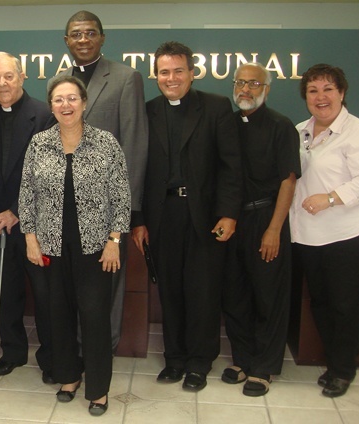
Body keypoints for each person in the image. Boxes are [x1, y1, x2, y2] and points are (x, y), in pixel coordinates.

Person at [131, 41, 242, 392]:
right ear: (156, 75)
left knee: (203, 293)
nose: (171, 78)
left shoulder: (217, 107)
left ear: (192, 73)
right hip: (163, 216)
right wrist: (139, 219)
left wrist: (228, 212)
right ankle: (175, 359)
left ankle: (198, 363)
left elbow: (230, 167)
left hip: (204, 216)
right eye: (164, 72)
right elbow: (139, 169)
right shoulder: (148, 111)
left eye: (179, 70)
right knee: (171, 292)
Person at [19, 76, 131, 416]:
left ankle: (98, 389)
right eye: (58, 100)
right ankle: (69, 377)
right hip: (51, 245)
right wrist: (30, 237)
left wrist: (114, 240)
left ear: (84, 103)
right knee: (58, 314)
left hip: (96, 248)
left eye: (71, 99)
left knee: (95, 317)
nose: (65, 105)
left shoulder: (106, 143)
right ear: (51, 105)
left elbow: (122, 196)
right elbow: (26, 194)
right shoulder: (39, 143)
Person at [50, 10, 148, 351]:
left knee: (106, 285)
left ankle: (101, 350)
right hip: (63, 209)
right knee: (71, 284)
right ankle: (75, 350)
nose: (83, 39)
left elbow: (134, 143)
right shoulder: (60, 80)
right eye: (76, 34)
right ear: (66, 41)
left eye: (90, 33)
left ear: (102, 38)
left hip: (108, 208)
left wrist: (130, 211)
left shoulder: (125, 77)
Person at [290, 64, 359, 398]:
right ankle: (334, 364)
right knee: (321, 303)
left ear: (342, 93)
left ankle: (343, 369)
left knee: (344, 304)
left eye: (328, 89)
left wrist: (330, 198)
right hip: (309, 234)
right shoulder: (300, 130)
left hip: (347, 232)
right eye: (313, 91)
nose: (321, 97)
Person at [0, 52, 55, 381]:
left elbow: (46, 173)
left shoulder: (44, 115)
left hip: (35, 223)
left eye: (8, 76)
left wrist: (15, 212)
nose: (2, 83)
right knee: (5, 292)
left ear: (21, 77)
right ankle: (14, 351)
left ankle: (51, 356)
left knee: (45, 294)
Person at [221, 62, 301, 396]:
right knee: (235, 295)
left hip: (266, 219)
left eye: (254, 84)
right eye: (240, 82)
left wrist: (273, 229)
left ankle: (265, 367)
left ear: (266, 89)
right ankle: (243, 359)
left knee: (268, 296)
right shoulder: (226, 124)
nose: (246, 89)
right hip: (230, 220)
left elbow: (288, 180)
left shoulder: (281, 127)